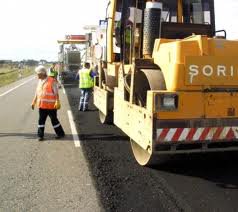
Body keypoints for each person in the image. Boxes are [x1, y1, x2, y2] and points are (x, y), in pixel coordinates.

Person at [31, 65, 65, 141]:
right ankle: (40, 136)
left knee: (54, 120)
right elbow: (37, 92)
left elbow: (56, 92)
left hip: (51, 106)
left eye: (38, 74)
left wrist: (57, 101)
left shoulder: (51, 81)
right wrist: (34, 102)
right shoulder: (40, 81)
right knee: (41, 121)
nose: (37, 75)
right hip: (42, 106)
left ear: (42, 73)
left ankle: (60, 134)